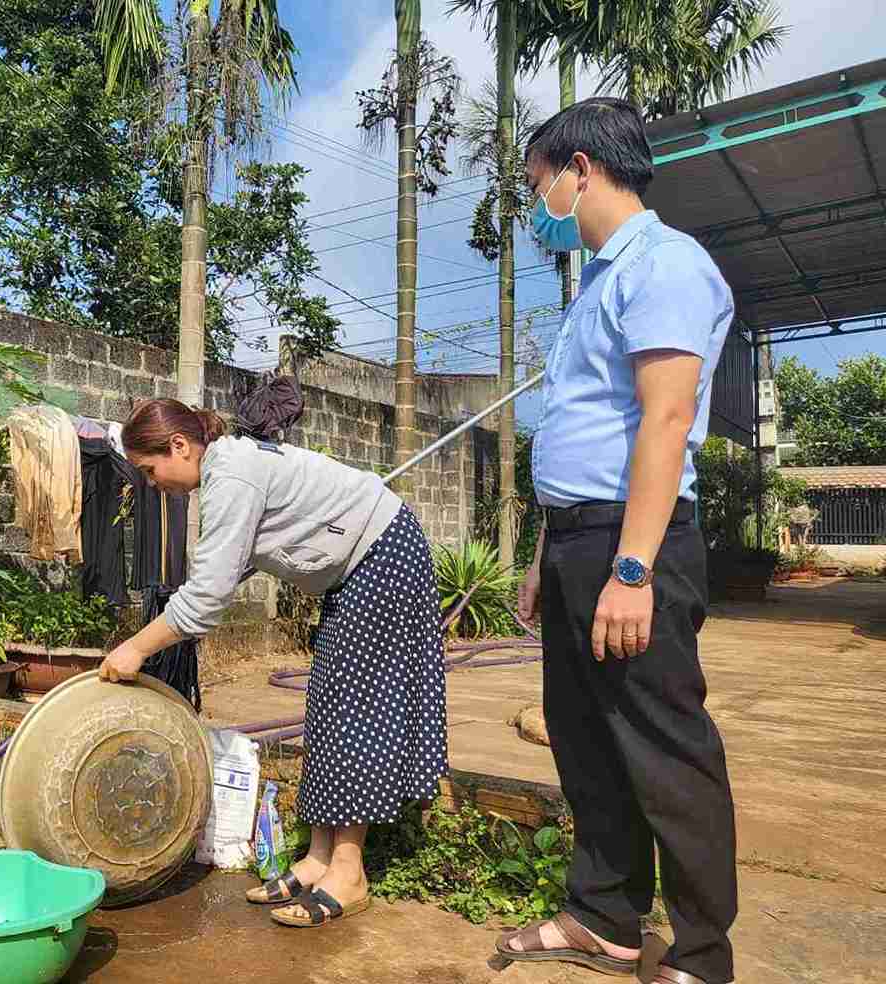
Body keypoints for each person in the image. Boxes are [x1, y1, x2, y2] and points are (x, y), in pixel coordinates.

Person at [499, 98, 738, 984]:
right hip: (578, 535)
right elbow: (579, 431)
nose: (539, 203)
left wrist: (632, 568)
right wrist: (541, 556)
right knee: (584, 736)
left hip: (635, 540)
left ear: (580, 170)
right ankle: (605, 918)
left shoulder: (668, 266)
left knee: (663, 745)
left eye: (539, 184)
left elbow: (665, 421)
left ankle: (705, 955)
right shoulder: (597, 279)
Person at [99, 398, 447, 928]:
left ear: (179, 446)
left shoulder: (232, 475)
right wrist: (175, 613)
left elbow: (207, 598)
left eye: (149, 470)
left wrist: (136, 647)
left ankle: (349, 872)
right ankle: (318, 859)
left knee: (357, 711)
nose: (151, 483)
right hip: (357, 568)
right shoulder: (224, 472)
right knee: (328, 707)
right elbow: (218, 574)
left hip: (382, 558)